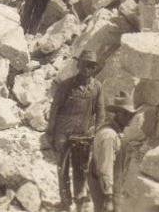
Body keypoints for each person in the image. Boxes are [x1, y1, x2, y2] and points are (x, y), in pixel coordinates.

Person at [47, 51, 105, 212]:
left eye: (91, 66)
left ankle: (80, 200)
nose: (88, 69)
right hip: (63, 135)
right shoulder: (66, 85)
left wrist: (97, 132)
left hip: (83, 135)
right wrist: (50, 132)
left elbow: (101, 112)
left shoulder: (97, 87)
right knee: (63, 168)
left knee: (81, 169)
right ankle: (65, 202)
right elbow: (54, 109)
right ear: (78, 65)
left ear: (94, 69)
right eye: (85, 65)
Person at [88, 92, 139, 212]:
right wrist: (109, 198)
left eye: (131, 114)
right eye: (126, 114)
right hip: (104, 189)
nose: (129, 117)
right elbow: (106, 168)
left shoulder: (117, 131)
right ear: (117, 113)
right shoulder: (109, 136)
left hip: (114, 186)